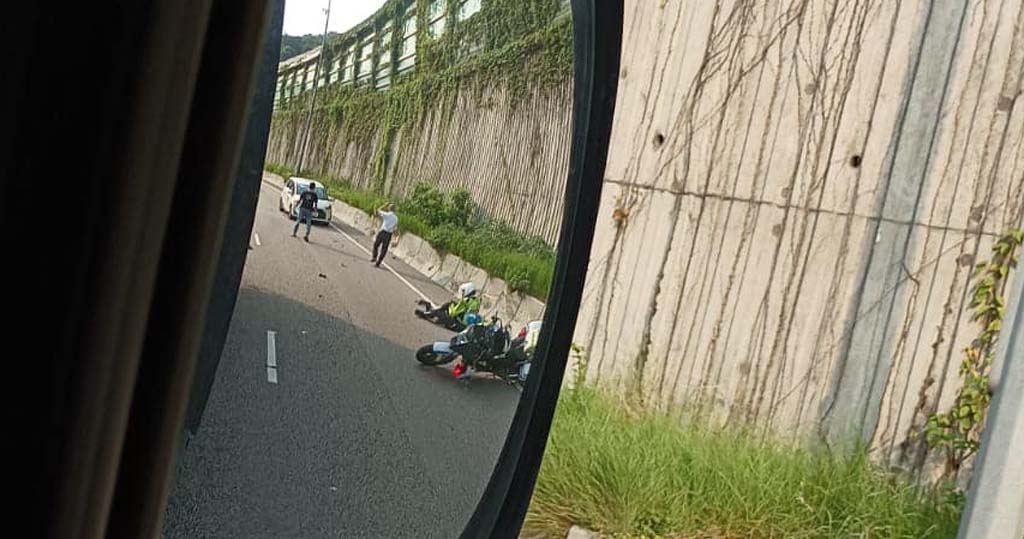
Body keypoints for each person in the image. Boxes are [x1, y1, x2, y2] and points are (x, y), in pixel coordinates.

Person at [415, 282, 482, 330]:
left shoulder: (466, 300)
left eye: (463, 292)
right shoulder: (476, 300)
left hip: (459, 324)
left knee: (440, 313)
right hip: (465, 324)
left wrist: (450, 306)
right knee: (450, 305)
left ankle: (426, 313)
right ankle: (431, 309)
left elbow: (453, 312)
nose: (462, 293)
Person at [371, 202, 398, 267]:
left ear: (389, 208)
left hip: (383, 232)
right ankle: (378, 262)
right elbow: (395, 228)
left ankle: (374, 257)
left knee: (376, 245)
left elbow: (378, 210)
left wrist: (384, 205)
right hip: (389, 234)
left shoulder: (387, 214)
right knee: (384, 249)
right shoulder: (396, 218)